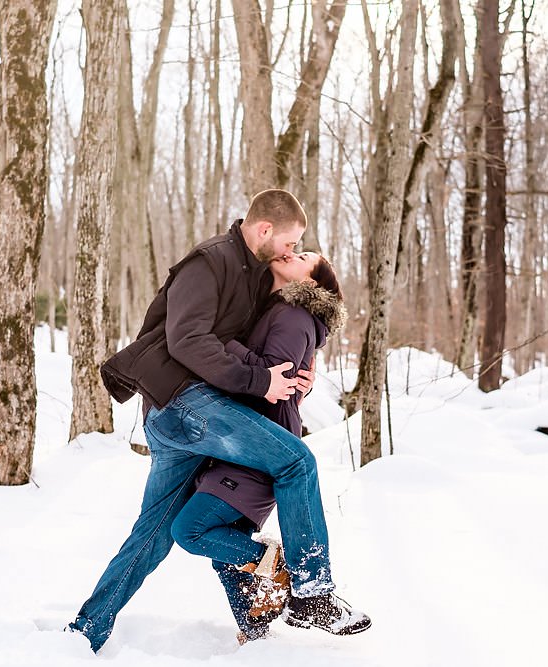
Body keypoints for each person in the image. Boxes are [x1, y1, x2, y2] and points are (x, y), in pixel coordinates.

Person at [68, 190, 370, 652]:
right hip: (183, 404)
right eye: (291, 242)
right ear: (266, 230)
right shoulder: (210, 262)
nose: (291, 251)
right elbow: (188, 341)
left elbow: (277, 334)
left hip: (192, 410)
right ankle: (311, 592)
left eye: (298, 250)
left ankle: (87, 631)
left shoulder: (255, 274)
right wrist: (260, 381)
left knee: (153, 533)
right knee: (296, 463)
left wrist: (297, 374)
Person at [170, 252, 355, 644]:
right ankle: (255, 633)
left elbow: (276, 381)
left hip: (262, 440)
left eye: (304, 256)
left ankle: (283, 569)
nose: (294, 252)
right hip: (243, 438)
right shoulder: (277, 310)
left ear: (312, 282)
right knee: (227, 547)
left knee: (192, 530)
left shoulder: (293, 316)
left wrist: (223, 344)